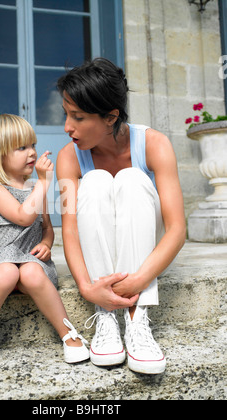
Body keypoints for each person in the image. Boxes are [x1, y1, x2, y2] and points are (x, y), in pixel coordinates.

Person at [56, 58, 186, 375]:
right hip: (98, 263)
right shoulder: (67, 157)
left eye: (78, 117)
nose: (67, 127)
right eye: (66, 114)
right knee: (97, 181)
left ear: (111, 117)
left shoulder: (155, 144)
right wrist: (87, 288)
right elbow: (70, 231)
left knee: (132, 179)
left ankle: (136, 317)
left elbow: (177, 229)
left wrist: (140, 281)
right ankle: (105, 315)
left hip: (143, 249)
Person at [0, 114, 89, 380]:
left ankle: (68, 333)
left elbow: (46, 227)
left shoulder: (37, 188)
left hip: (29, 262)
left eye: (33, 145)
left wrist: (47, 244)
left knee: (29, 272)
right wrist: (46, 183)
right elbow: (24, 216)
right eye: (21, 147)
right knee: (7, 272)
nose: (32, 153)